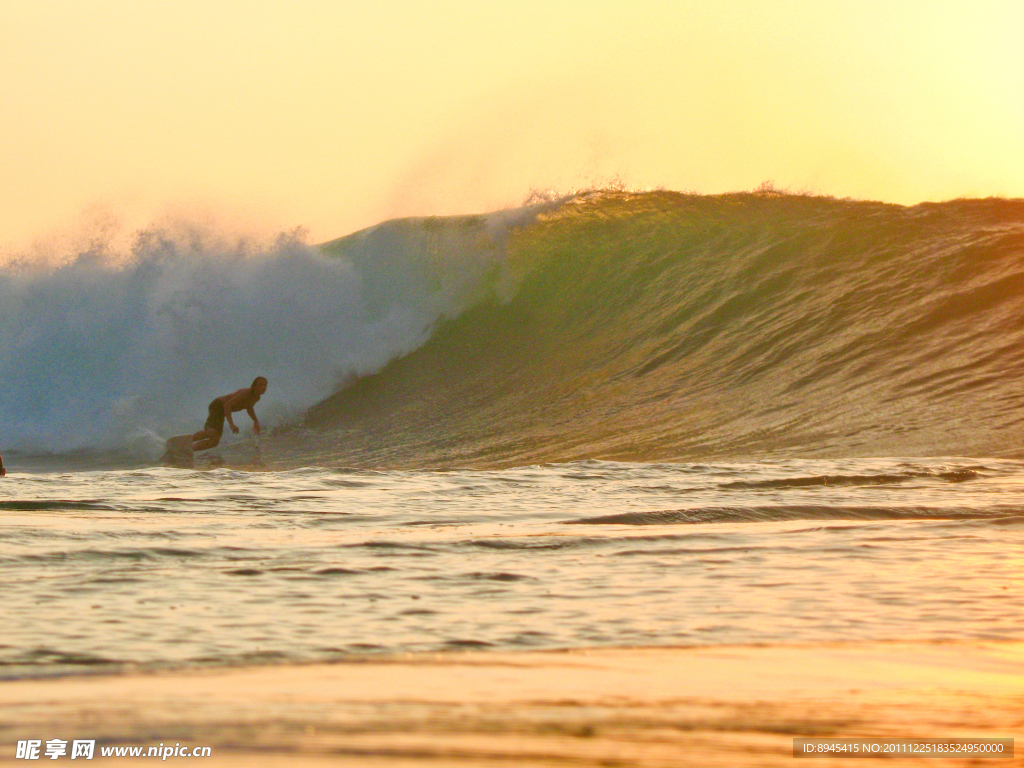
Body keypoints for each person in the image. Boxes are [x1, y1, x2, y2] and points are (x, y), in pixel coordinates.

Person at [192, 377, 267, 452]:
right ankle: (188, 440)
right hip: (218, 405)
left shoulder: (256, 397)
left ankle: (190, 449)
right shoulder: (246, 393)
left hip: (221, 410)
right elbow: (227, 405)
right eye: (260, 385)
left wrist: (256, 421)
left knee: (214, 442)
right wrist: (231, 424)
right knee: (212, 432)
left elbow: (249, 407)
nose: (263, 387)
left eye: (265, 385)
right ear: (254, 386)